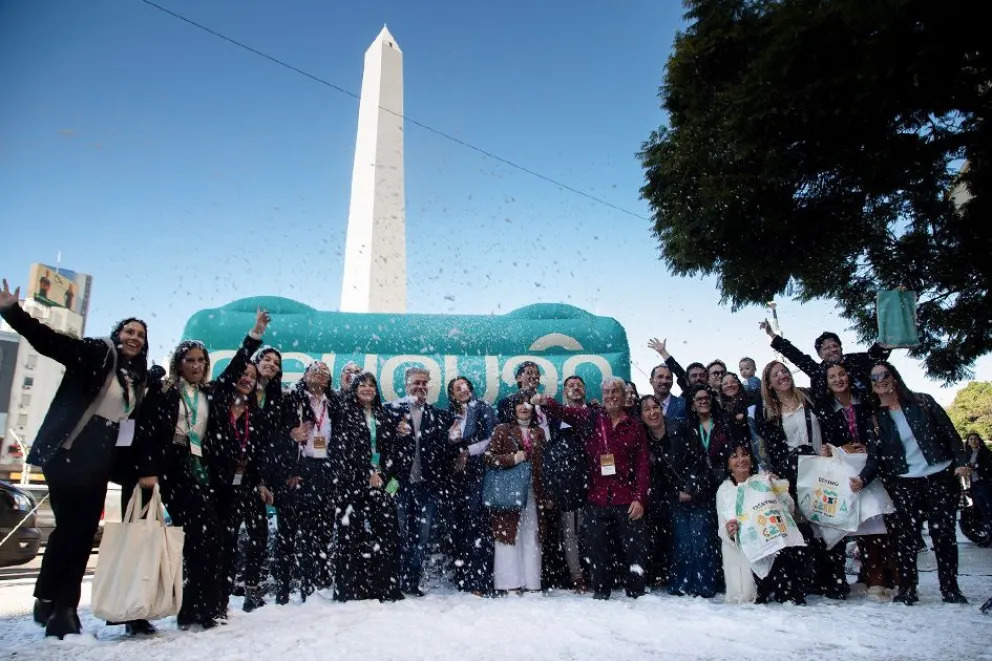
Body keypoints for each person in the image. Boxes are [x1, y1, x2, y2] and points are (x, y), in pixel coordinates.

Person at [0, 280, 149, 639]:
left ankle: (50, 598)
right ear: (118, 333)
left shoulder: (136, 378)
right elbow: (52, 343)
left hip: (100, 458)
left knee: (80, 534)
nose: (135, 338)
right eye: (130, 331)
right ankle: (62, 607)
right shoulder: (97, 353)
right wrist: (11, 312)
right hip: (70, 451)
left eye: (141, 336)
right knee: (73, 530)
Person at [859, 362, 970, 605]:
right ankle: (907, 589)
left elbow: (951, 434)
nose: (880, 380)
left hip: (939, 476)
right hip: (905, 482)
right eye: (874, 377)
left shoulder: (923, 402)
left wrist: (961, 462)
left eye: (884, 374)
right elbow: (875, 458)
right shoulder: (876, 417)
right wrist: (861, 479)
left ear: (894, 377)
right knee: (906, 539)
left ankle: (950, 588)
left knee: (944, 535)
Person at [536, 377, 650, 600]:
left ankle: (636, 590)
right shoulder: (592, 417)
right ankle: (601, 590)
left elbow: (642, 464)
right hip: (597, 496)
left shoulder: (634, 426)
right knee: (597, 548)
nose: (610, 397)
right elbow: (565, 412)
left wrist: (640, 498)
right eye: (606, 392)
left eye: (614, 392)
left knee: (633, 548)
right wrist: (545, 400)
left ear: (624, 395)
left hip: (626, 497)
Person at [818, 360, 896, 600]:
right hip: (843, 472)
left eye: (842, 374)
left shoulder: (866, 402)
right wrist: (834, 449)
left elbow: (877, 433)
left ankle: (880, 580)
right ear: (828, 383)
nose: (838, 379)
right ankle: (850, 580)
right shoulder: (825, 409)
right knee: (849, 525)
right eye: (833, 377)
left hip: (873, 469)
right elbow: (826, 440)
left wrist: (868, 445)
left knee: (875, 525)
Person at [207, 355, 273, 616]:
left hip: (245, 483)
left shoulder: (253, 414)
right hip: (215, 481)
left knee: (242, 538)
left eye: (252, 377)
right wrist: (254, 335)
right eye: (243, 373)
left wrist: (260, 483)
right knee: (218, 539)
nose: (247, 379)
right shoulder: (217, 402)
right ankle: (208, 597)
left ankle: (224, 600)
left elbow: (256, 454)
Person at [331, 372, 405, 602]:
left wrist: (385, 477)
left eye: (371, 385)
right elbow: (342, 451)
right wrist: (366, 474)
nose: (367, 389)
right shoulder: (344, 414)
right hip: (351, 483)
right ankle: (349, 589)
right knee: (349, 536)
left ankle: (385, 587)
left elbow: (393, 450)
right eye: (362, 385)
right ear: (355, 390)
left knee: (388, 534)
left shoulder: (383, 415)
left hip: (381, 483)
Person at [386, 366, 454, 596]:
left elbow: (445, 452)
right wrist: (393, 433)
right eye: (416, 382)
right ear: (406, 385)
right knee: (398, 533)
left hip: (427, 487)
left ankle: (411, 581)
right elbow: (380, 445)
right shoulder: (391, 411)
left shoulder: (439, 415)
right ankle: (393, 580)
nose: (421, 386)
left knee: (421, 537)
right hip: (398, 484)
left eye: (424, 382)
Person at [276, 361, 338, 602]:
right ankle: (282, 588)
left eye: (325, 373)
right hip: (297, 469)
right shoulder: (292, 399)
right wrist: (290, 437)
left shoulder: (333, 403)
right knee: (287, 532)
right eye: (315, 371)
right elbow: (276, 433)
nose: (320, 375)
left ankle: (310, 585)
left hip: (322, 470)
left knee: (316, 532)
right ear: (305, 375)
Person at [716, 440, 805, 605]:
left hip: (773, 548)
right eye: (735, 457)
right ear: (728, 464)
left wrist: (777, 489)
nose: (741, 460)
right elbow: (722, 529)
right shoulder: (724, 491)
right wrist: (729, 530)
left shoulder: (762, 481)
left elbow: (789, 509)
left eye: (745, 455)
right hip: (745, 553)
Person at [485, 392, 549, 593]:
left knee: (532, 535)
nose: (524, 407)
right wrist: (513, 458)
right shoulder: (502, 429)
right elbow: (488, 457)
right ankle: (510, 584)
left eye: (528, 404)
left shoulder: (539, 432)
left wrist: (547, 494)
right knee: (507, 535)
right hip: (508, 491)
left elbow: (546, 465)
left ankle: (532, 584)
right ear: (512, 409)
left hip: (533, 492)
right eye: (519, 404)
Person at [666, 385, 723, 597]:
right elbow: (680, 461)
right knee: (684, 541)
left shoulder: (722, 425)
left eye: (706, 397)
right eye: (698, 399)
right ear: (692, 403)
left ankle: (706, 584)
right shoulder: (685, 427)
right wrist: (688, 487)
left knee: (705, 541)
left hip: (717, 487)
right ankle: (682, 583)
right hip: (692, 489)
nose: (702, 401)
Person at [445, 376, 497, 595]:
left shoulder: (484, 409)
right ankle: (463, 577)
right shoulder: (450, 415)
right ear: (452, 395)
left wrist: (468, 451)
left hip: (478, 474)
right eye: (457, 388)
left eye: (465, 386)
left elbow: (492, 438)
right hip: (456, 479)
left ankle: (479, 580)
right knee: (458, 527)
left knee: (478, 527)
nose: (462, 390)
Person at [541, 375, 591, 592]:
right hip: (564, 484)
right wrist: (551, 487)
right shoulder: (552, 420)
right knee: (569, 532)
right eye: (571, 385)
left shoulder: (594, 413)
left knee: (591, 532)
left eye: (579, 385)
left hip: (591, 480)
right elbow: (548, 454)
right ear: (564, 392)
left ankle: (595, 572)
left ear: (585, 391)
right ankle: (576, 576)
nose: (575, 388)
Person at [759, 322, 890, 401]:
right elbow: (797, 356)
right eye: (826, 348)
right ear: (820, 355)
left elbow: (876, 353)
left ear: (841, 348)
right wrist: (772, 335)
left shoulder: (856, 360)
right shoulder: (818, 372)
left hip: (869, 418)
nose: (832, 350)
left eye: (835, 346)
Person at [639, 395, 672, 589]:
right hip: (653, 495)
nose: (653, 412)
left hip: (676, 494)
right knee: (653, 537)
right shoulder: (642, 437)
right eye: (647, 409)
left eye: (656, 407)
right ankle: (655, 573)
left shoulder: (678, 430)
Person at [646, 355, 687, 421]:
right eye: (660, 377)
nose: (664, 381)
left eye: (668, 378)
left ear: (672, 382)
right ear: (651, 381)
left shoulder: (683, 405)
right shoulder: (644, 407)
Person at [965, 433, 992, 526]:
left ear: (979, 441)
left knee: (989, 507)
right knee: (981, 508)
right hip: (974, 484)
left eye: (975, 439)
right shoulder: (968, 455)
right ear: (968, 442)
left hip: (984, 483)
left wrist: (976, 468)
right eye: (971, 439)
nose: (973, 441)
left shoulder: (985, 453)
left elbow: (988, 467)